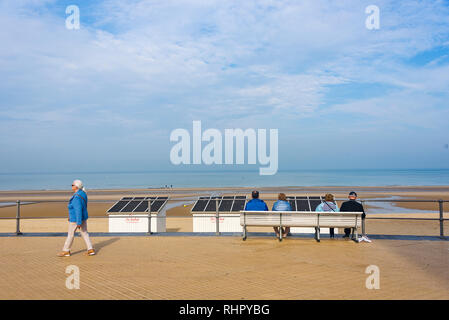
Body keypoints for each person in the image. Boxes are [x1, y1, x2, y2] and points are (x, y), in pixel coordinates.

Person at [57, 180, 95, 257]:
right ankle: (90, 249)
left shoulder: (76, 197)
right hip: (83, 217)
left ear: (76, 186)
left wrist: (78, 222)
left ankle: (66, 250)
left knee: (70, 234)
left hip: (76, 219)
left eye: (72, 185)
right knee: (84, 233)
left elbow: (78, 210)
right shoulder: (83, 193)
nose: (71, 186)